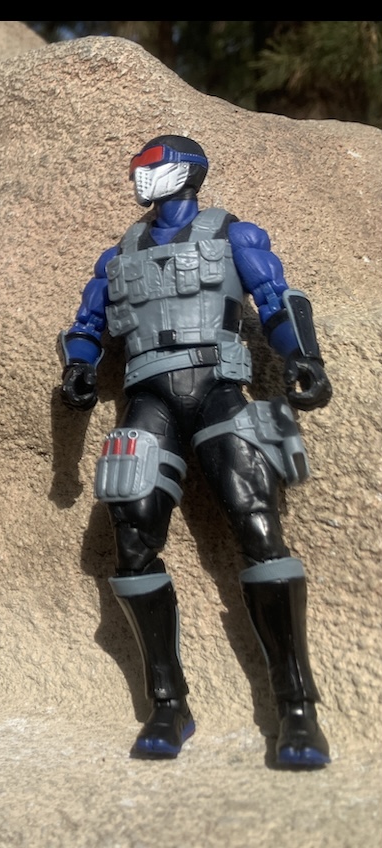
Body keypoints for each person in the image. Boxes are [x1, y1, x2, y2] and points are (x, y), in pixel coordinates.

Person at [59, 135, 333, 768]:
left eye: (149, 167)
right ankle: (168, 704)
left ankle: (297, 709)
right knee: (132, 538)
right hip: (148, 399)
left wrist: (304, 357)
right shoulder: (119, 253)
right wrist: (78, 367)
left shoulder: (235, 233)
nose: (138, 177)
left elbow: (277, 300)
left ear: (185, 172)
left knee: (260, 528)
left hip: (219, 390)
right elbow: (88, 324)